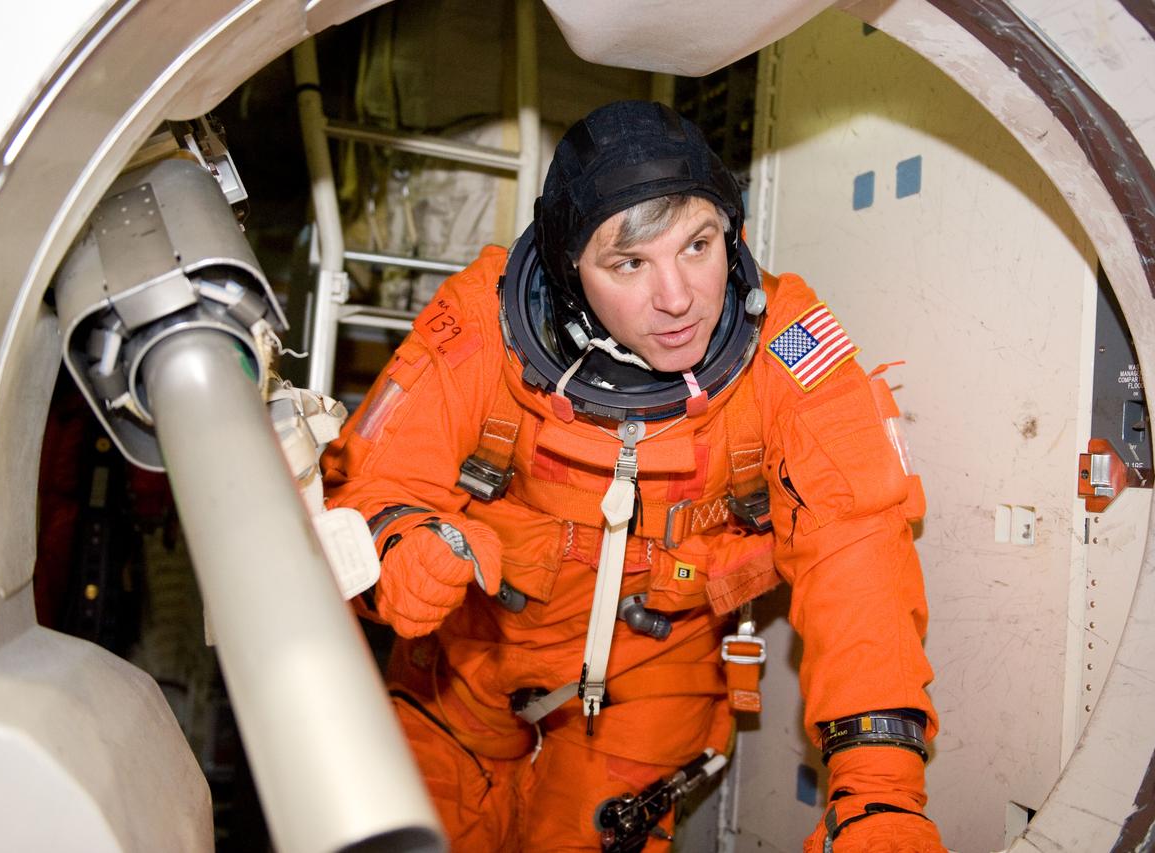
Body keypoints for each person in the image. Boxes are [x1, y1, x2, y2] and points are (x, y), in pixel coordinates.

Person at [323, 99, 945, 852]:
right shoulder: (482, 323)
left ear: (732, 233)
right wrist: (397, 542)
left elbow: (858, 546)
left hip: (650, 673)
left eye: (698, 245)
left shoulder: (785, 348)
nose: (678, 296)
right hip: (467, 663)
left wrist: (877, 790)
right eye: (629, 263)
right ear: (568, 268)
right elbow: (371, 476)